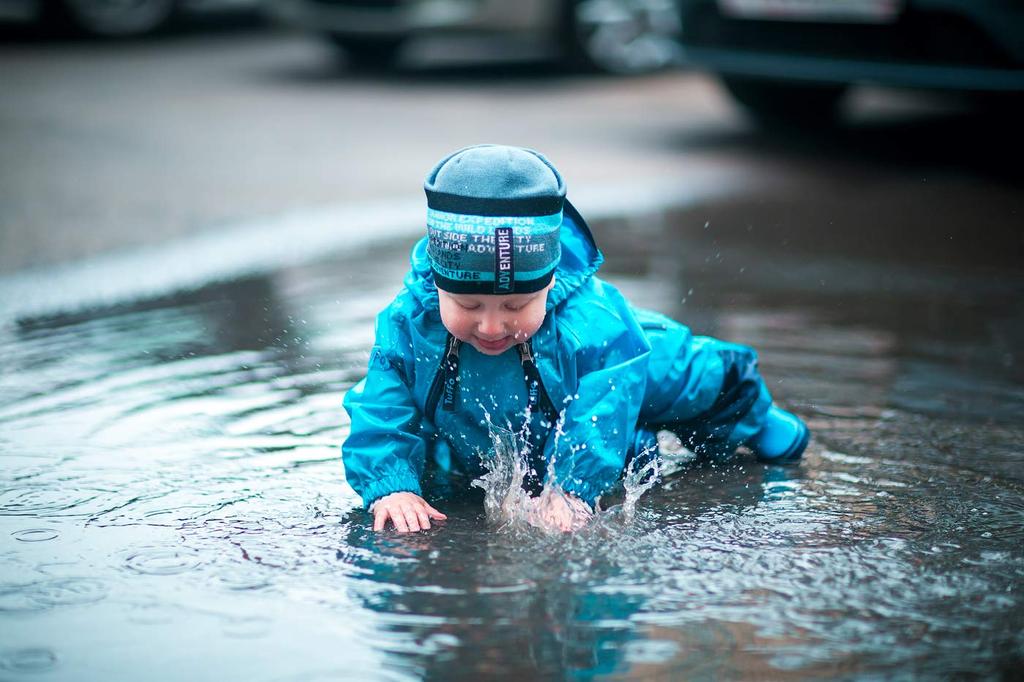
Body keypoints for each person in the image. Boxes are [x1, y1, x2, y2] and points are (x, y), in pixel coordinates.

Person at [342, 144, 809, 533]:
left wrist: (570, 489)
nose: (490, 326)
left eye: (514, 307)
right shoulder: (409, 322)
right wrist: (391, 484)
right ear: (440, 285)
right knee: (446, 464)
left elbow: (602, 413)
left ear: (547, 285)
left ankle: (755, 415)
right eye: (467, 307)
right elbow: (382, 407)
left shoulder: (591, 322)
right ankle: (633, 441)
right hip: (516, 409)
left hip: (639, 370)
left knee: (695, 380)